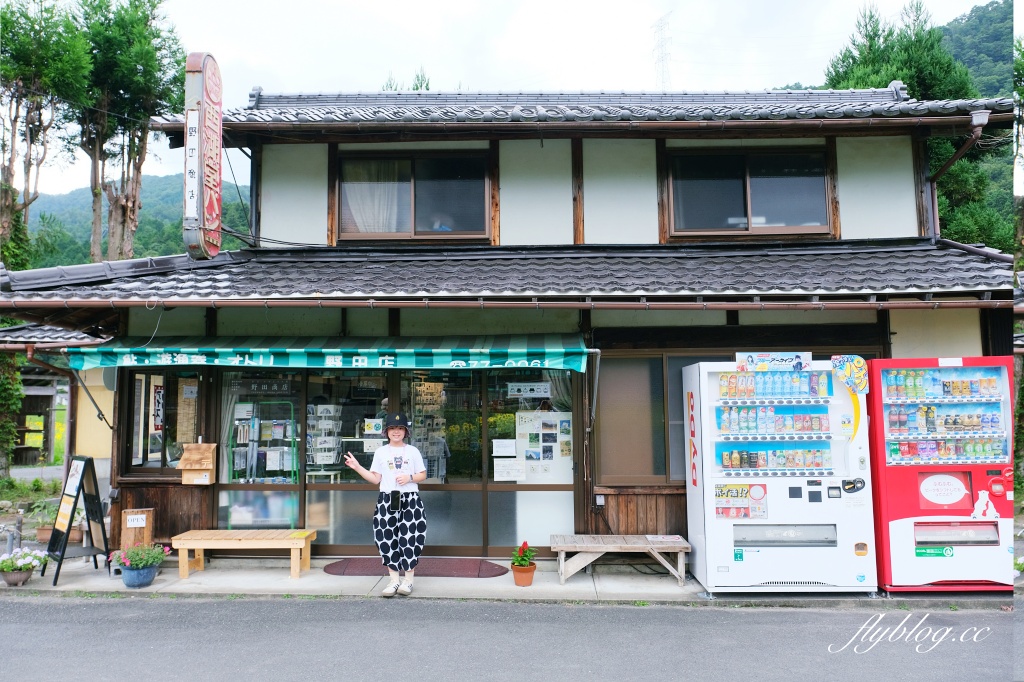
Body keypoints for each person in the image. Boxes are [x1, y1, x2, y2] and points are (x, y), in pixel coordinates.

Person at [344, 412, 427, 597]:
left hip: (410, 499)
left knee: (409, 538)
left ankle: (408, 581)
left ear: (406, 431)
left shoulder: (413, 451)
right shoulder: (381, 452)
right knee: (386, 538)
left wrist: (410, 477)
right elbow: (375, 479)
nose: (396, 432)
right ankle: (393, 581)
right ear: (386, 431)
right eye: (392, 428)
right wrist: (357, 467)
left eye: (400, 428)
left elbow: (423, 474)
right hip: (387, 499)